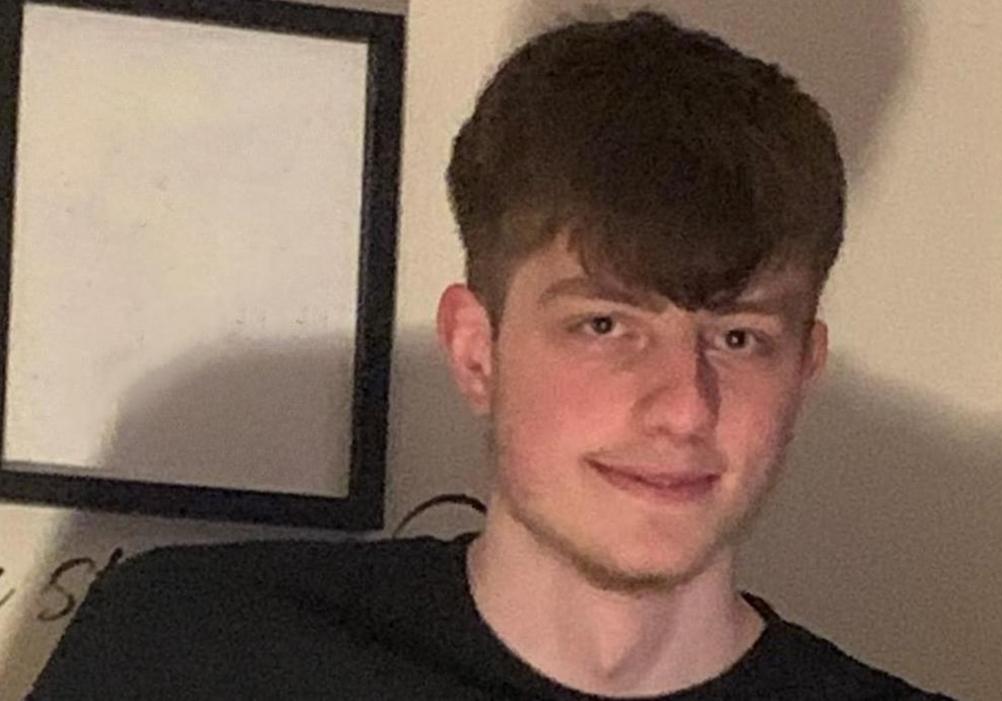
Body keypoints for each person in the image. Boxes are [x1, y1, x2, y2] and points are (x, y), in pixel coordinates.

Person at [29, 11, 952, 700]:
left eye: (738, 337)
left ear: (803, 370)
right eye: (606, 325)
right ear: (477, 351)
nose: (684, 406)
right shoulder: (191, 654)